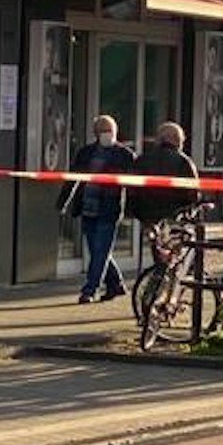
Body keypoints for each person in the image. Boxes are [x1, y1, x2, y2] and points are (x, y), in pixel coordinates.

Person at [59, 115, 136, 304]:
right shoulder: (86, 153)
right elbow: (73, 178)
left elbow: (135, 184)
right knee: (97, 251)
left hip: (109, 209)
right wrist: (64, 201)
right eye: (103, 131)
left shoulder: (125, 155)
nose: (107, 135)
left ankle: (89, 290)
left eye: (110, 131)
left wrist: (134, 209)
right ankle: (115, 284)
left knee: (101, 250)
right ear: (96, 134)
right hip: (87, 207)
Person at [131, 121, 201, 236]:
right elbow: (192, 192)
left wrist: (137, 210)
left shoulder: (142, 160)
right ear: (176, 140)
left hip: (146, 213)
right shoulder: (183, 162)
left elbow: (132, 189)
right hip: (174, 214)